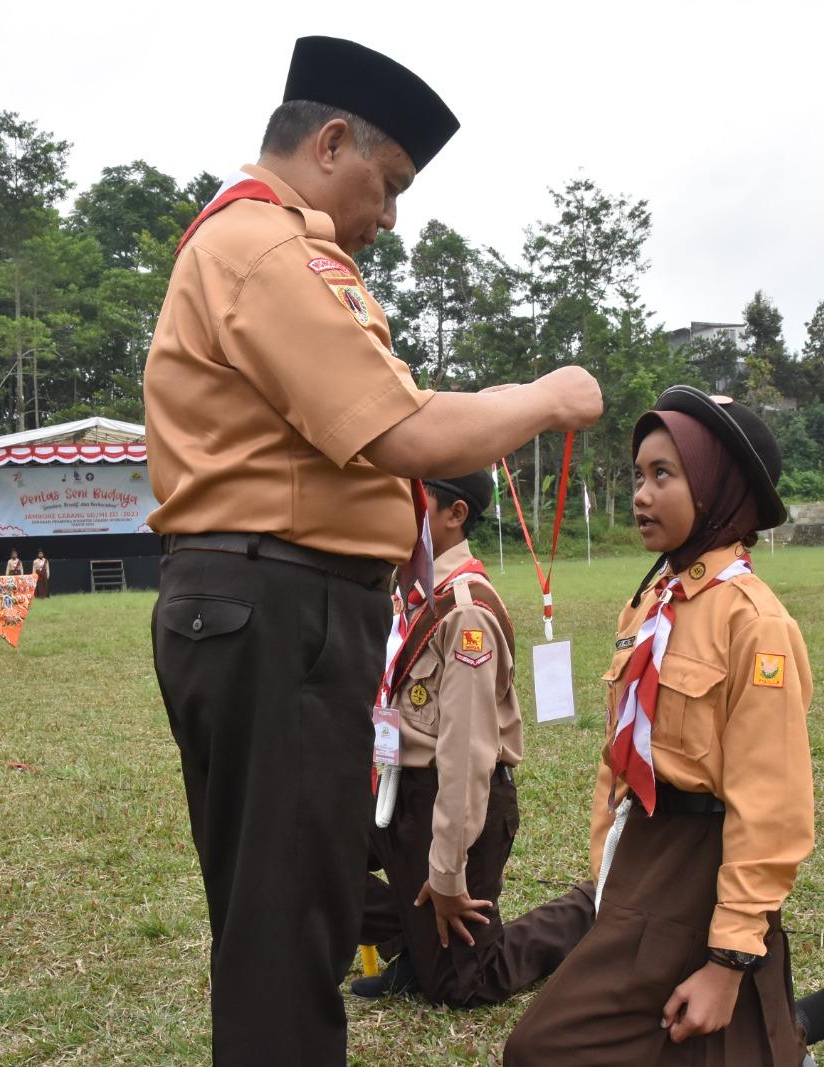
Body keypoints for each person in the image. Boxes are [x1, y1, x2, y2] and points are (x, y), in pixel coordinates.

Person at [142, 36, 603, 1067]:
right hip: (282, 605)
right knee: (289, 925)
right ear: (331, 143)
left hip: (257, 600)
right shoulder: (269, 248)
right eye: (386, 184)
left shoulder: (248, 246)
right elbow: (406, 433)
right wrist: (548, 397)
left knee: (283, 908)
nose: (390, 215)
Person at [504, 387, 824, 1067]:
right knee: (699, 1045)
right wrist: (607, 869)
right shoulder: (653, 603)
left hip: (702, 863)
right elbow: (621, 749)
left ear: (721, 489)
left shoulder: (754, 622)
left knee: (543, 1050)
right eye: (638, 474)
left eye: (665, 474)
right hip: (643, 855)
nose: (641, 493)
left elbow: (768, 805)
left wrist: (725, 960)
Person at [353, 470, 595, 1008]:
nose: (394, 510)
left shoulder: (464, 611)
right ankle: (416, 942)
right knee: (306, 849)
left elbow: (466, 757)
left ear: (455, 514)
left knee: (464, 986)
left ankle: (587, 908)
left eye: (411, 500)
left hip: (448, 803)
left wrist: (446, 871)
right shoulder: (412, 589)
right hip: (396, 789)